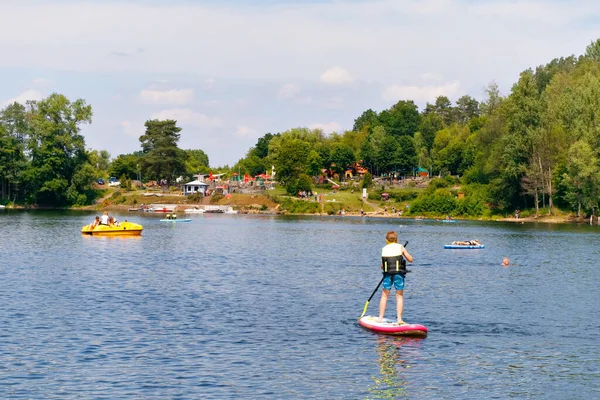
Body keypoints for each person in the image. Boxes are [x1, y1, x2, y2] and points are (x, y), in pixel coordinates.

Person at [378, 231, 413, 325]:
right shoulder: (400, 247)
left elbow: (383, 265)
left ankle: (380, 318)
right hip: (398, 274)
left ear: (386, 240)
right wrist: (403, 253)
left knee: (384, 296)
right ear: (396, 239)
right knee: (399, 296)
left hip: (387, 274)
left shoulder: (384, 249)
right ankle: (399, 319)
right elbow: (410, 260)